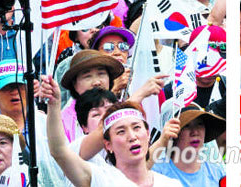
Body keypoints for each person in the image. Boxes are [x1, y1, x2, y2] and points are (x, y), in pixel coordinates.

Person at [38, 75, 183, 187]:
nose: (132, 137)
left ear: (148, 133)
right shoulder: (102, 180)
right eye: (121, 131)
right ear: (108, 144)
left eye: (137, 127)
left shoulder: (172, 184)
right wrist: (54, 104)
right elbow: (59, 152)